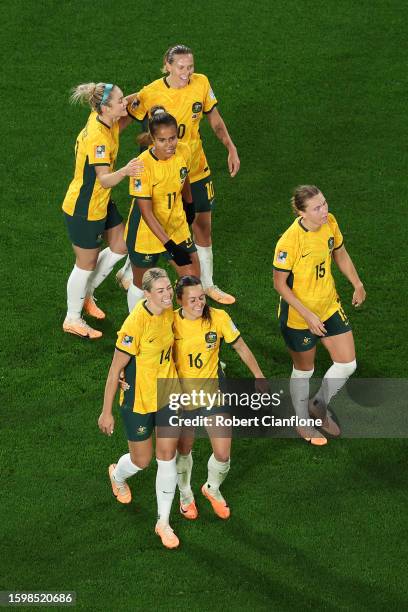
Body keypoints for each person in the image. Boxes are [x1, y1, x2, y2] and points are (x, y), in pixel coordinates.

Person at [117, 44, 240, 305]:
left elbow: (215, 121)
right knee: (147, 225)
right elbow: (123, 119)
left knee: (202, 227)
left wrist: (230, 147)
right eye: (181, 67)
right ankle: (130, 271)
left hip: (194, 169)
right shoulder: (150, 93)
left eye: (190, 66)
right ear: (168, 65)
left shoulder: (201, 83)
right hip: (161, 176)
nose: (187, 72)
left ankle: (207, 286)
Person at [273, 185, 366, 445]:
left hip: (328, 305)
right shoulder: (289, 241)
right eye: (317, 208)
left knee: (348, 364)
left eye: (324, 203)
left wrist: (357, 283)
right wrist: (308, 315)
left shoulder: (330, 222)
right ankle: (302, 421)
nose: (324, 210)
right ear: (302, 212)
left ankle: (318, 404)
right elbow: (280, 284)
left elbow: (340, 252)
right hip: (298, 316)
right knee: (305, 370)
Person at [98, 268, 181, 549]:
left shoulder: (170, 312)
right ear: (146, 294)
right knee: (142, 461)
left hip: (167, 394)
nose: (168, 293)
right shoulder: (135, 325)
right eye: (160, 290)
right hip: (138, 401)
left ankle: (163, 522)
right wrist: (106, 411)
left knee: (167, 456)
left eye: (168, 287)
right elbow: (114, 371)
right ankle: (117, 475)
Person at [173, 275, 267, 520]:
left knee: (223, 453)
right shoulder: (169, 323)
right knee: (184, 448)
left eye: (201, 297)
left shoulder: (219, 317)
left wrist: (258, 375)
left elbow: (240, 346)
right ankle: (185, 495)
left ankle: (211, 489)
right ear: (180, 300)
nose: (199, 303)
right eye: (192, 299)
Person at [62, 82, 142, 339]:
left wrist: (143, 95)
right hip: (84, 207)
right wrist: (127, 170)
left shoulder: (104, 119)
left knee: (121, 245)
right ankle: (72, 318)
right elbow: (105, 179)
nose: (125, 104)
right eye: (120, 101)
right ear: (106, 108)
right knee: (85, 264)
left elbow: (125, 115)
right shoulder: (98, 138)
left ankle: (87, 294)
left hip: (100, 202)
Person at [125, 106, 200, 312]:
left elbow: (184, 176)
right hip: (146, 235)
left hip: (176, 226)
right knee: (141, 286)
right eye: (162, 140)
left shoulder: (183, 150)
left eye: (173, 138)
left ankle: (186, 326)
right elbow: (146, 213)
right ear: (152, 139)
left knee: (192, 280)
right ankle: (135, 325)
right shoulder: (142, 166)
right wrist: (171, 246)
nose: (169, 145)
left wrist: (189, 203)